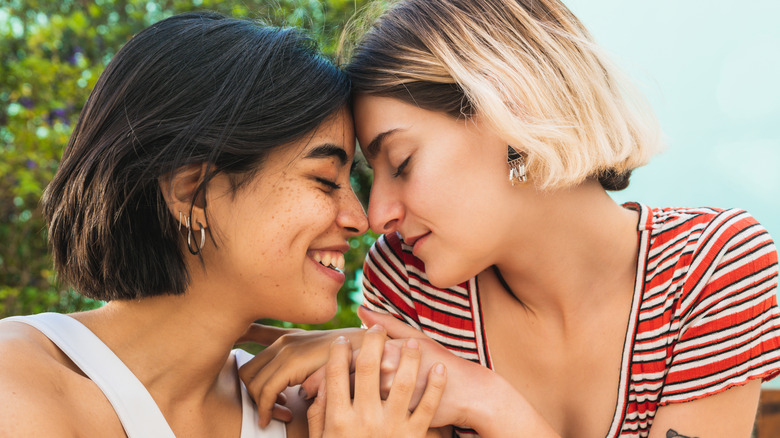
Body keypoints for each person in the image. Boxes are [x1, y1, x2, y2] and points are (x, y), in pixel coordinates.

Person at [238, 0, 780, 437]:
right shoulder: (410, 284)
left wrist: (489, 402)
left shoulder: (712, 268)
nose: (378, 214)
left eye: (401, 163)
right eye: (372, 175)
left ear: (513, 113)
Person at [0, 11, 447, 438]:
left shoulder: (320, 412)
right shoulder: (17, 385)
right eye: (325, 180)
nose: (360, 219)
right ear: (191, 191)